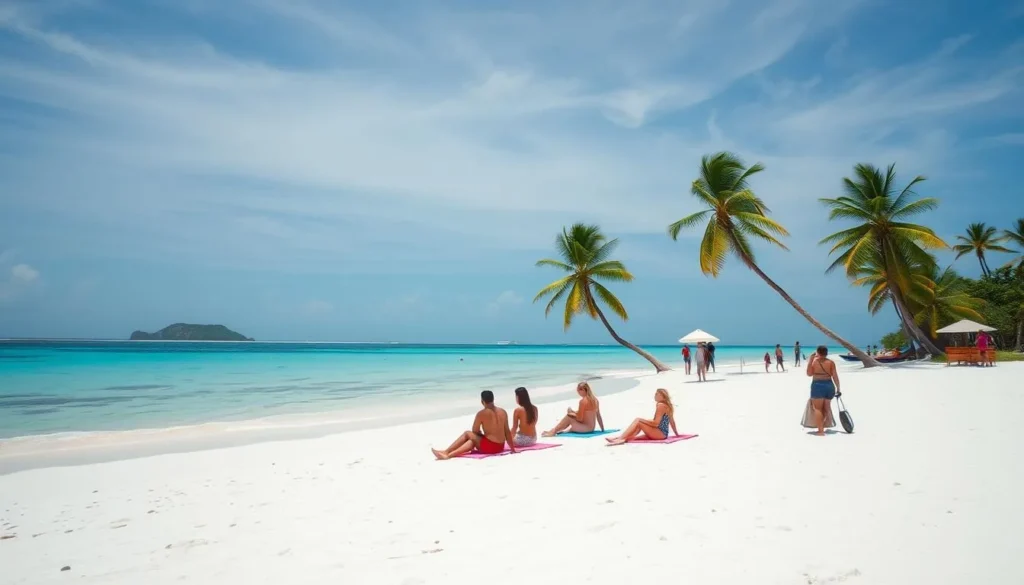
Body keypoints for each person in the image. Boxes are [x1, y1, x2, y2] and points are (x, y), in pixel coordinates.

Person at [431, 390, 515, 460]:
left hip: (490, 448)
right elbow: (507, 431)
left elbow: (474, 430)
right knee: (472, 441)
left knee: (467, 433)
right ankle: (449, 454)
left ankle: (447, 452)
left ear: (482, 401)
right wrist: (512, 449)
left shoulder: (481, 413)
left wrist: (480, 434)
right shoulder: (503, 412)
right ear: (493, 399)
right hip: (500, 447)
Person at [606, 388, 679, 445]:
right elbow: (672, 421)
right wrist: (677, 434)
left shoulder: (661, 405)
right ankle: (620, 438)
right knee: (635, 433)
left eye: (657, 394)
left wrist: (642, 420)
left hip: (660, 433)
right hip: (663, 434)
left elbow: (656, 423)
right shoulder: (668, 406)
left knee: (638, 420)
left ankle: (620, 439)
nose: (655, 396)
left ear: (662, 397)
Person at [806, 345, 841, 436]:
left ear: (817, 352)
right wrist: (838, 388)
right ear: (826, 353)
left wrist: (810, 360)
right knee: (826, 407)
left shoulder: (814, 361)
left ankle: (820, 431)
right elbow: (835, 376)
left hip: (818, 385)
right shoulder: (831, 362)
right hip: (829, 386)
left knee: (818, 409)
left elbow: (809, 374)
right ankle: (822, 425)